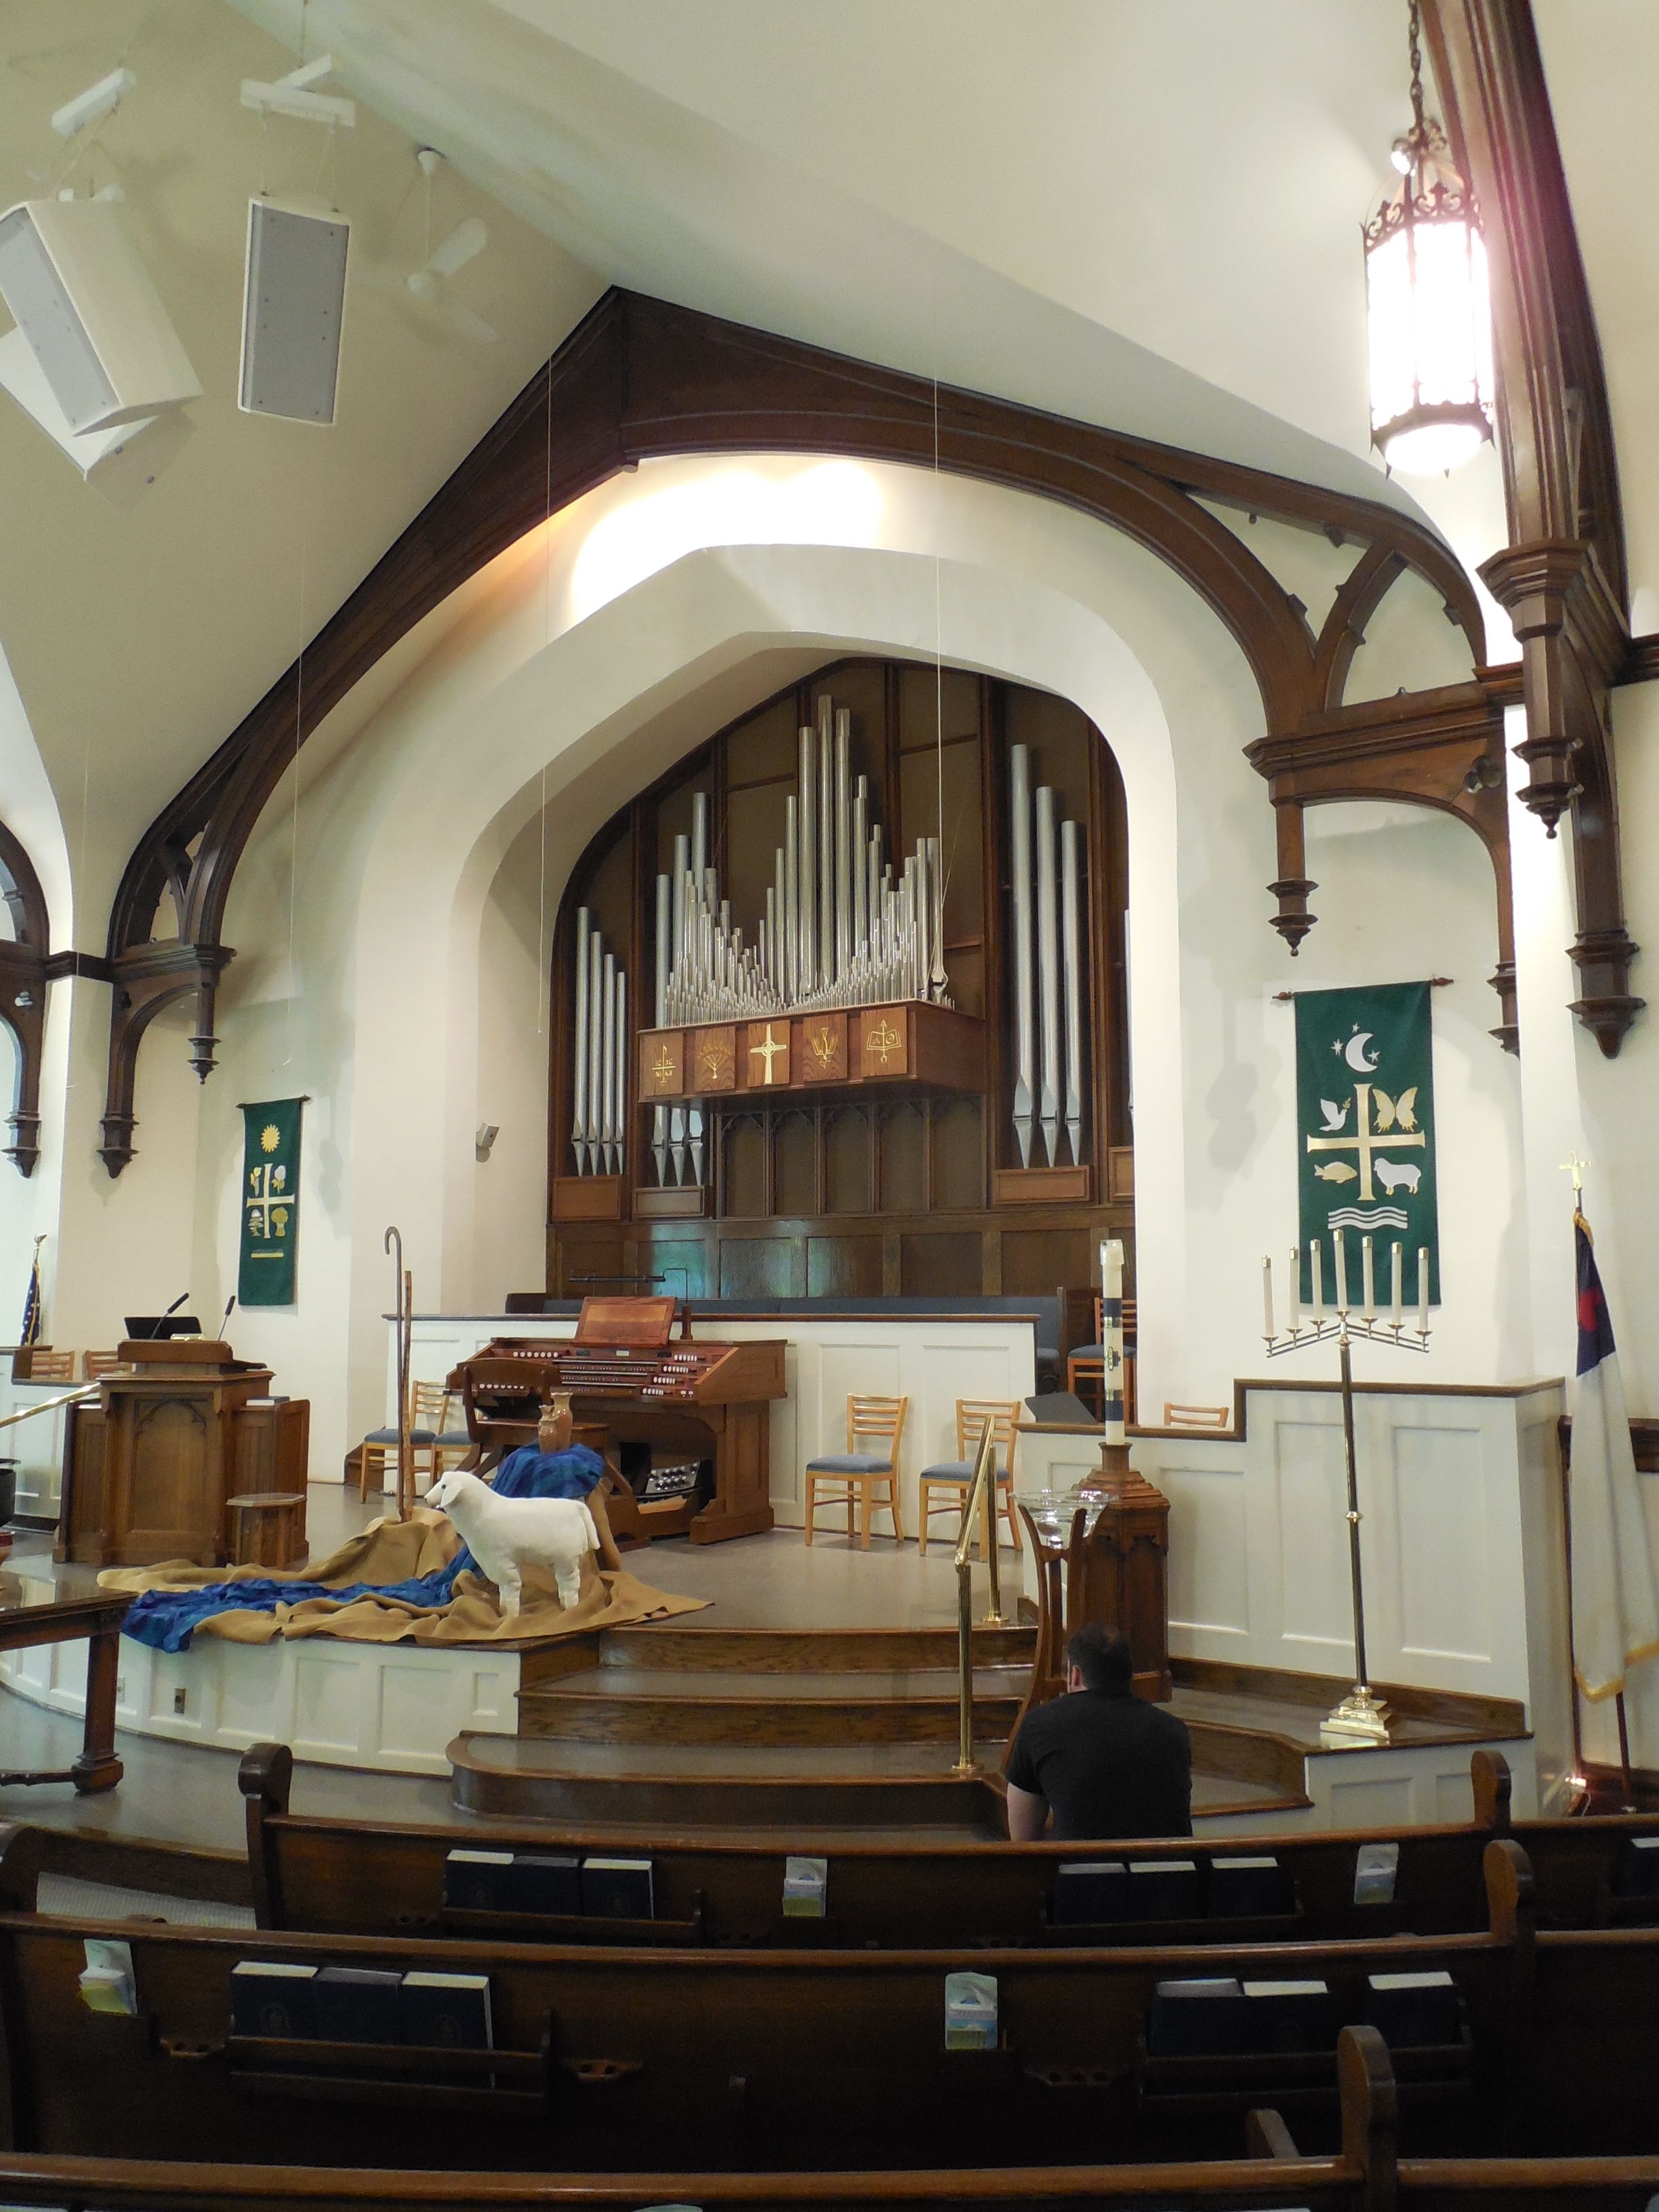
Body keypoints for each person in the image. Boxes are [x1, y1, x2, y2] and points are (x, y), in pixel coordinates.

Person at [1003, 1624, 1191, 1841]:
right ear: (1129, 1676)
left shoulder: (1040, 1725)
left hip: (1083, 1863)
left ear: (1075, 1675)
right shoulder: (1174, 1731)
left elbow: (1023, 1838)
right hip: (1166, 1862)